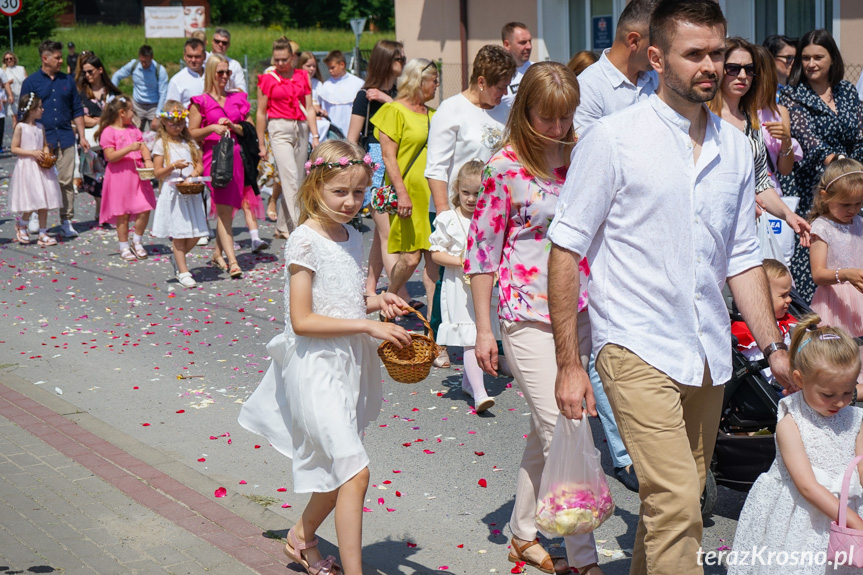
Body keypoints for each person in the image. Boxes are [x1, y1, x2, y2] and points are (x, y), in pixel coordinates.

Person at [546, 2, 792, 574]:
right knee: (680, 503)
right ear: (656, 57)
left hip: (707, 352)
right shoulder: (613, 138)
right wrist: (567, 363)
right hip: (632, 341)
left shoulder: (736, 147)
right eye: (695, 54)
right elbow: (566, 249)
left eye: (718, 52)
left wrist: (773, 347)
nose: (712, 65)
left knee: (670, 508)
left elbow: (742, 256)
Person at [238, 140, 411, 575]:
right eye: (340, 192)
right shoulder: (304, 241)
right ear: (315, 186)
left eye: (358, 193)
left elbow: (347, 301)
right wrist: (368, 326)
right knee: (355, 471)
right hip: (315, 367)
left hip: (348, 364)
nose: (351, 203)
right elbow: (302, 320)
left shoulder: (352, 236)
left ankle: (301, 538)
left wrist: (378, 301)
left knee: (340, 468)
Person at [465, 62, 600, 575]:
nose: (559, 128)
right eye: (548, 118)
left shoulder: (581, 157)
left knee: (545, 434)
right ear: (526, 112)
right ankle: (583, 558)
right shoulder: (504, 167)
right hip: (523, 314)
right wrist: (483, 329)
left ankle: (522, 534)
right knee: (565, 430)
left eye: (566, 117)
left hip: (578, 312)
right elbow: (481, 252)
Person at [728, 315, 863, 575]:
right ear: (800, 380)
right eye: (828, 394)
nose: (839, 402)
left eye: (848, 392)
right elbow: (807, 486)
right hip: (800, 518)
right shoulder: (791, 424)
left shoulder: (856, 420)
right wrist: (853, 520)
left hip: (845, 517)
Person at [424, 44, 515, 366]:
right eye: (499, 86)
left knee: (491, 276)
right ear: (480, 81)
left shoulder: (505, 109)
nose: (504, 93)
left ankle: (496, 344)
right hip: (460, 206)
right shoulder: (452, 110)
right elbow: (436, 168)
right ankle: (440, 340)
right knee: (450, 278)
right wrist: (445, 215)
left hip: (496, 208)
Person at [780, 29, 863, 303]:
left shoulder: (848, 91)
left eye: (818, 56)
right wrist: (840, 165)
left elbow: (860, 134)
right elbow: (810, 142)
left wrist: (856, 177)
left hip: (854, 187)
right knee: (816, 268)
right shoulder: (792, 96)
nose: (811, 63)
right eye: (805, 58)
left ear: (832, 59)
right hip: (818, 191)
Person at [708, 38, 810, 261]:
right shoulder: (703, 117)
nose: (742, 76)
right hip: (709, 231)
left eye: (749, 69)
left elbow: (762, 182)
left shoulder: (751, 121)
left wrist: (788, 215)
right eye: (733, 68)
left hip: (744, 232)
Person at [430, 159, 500, 412]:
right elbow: (436, 253)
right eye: (465, 193)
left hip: (484, 287)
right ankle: (480, 393)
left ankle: (469, 383)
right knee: (472, 336)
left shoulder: (491, 218)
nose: (471, 199)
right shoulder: (449, 219)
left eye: (478, 193)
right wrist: (462, 260)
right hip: (459, 287)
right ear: (457, 191)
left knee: (479, 331)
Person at [372, 59, 439, 318]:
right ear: (419, 81)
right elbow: (388, 157)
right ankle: (390, 294)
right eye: (434, 80)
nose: (437, 85)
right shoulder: (395, 111)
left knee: (434, 265)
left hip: (433, 197)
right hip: (409, 195)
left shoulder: (434, 115)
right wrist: (401, 192)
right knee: (410, 258)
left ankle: (433, 330)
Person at [346, 40, 406, 302]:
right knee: (388, 235)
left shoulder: (396, 93)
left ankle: (370, 287)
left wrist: (388, 99)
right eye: (399, 59)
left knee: (383, 235)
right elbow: (351, 137)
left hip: (397, 166)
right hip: (376, 168)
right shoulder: (365, 95)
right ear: (386, 61)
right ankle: (399, 292)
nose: (403, 63)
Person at [189, 54, 250, 279]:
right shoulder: (201, 101)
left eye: (228, 73)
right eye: (220, 72)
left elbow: (248, 129)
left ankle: (217, 253)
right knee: (224, 210)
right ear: (211, 73)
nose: (225, 77)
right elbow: (192, 132)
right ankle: (233, 261)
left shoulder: (238, 98)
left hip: (235, 157)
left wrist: (234, 126)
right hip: (213, 158)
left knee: (229, 210)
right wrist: (211, 128)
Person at [21, 40, 89, 239]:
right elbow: (23, 113)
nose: (61, 60)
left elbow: (77, 109)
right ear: (45, 58)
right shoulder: (31, 82)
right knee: (38, 182)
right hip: (41, 140)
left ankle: (66, 221)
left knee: (66, 181)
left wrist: (82, 136)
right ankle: (33, 215)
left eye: (60, 57)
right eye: (57, 57)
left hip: (66, 137)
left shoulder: (67, 80)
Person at [256, 37, 319, 240]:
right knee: (290, 176)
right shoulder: (268, 78)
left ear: (292, 57)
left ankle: (282, 226)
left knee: (297, 179)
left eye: (284, 59)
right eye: (276, 59)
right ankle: (301, 228)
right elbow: (260, 112)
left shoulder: (302, 75)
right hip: (279, 127)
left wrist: (315, 135)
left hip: (300, 127)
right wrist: (261, 144)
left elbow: (309, 108)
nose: (280, 64)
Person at [808, 158, 863, 380]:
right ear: (826, 197)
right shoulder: (822, 227)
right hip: (834, 303)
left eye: (858, 203)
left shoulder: (860, 223)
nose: (853, 210)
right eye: (845, 204)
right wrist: (845, 274)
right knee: (838, 358)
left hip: (859, 298)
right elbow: (818, 274)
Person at [573, 0, 658, 133]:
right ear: (634, 41)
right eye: (657, 43)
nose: (662, 51)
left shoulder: (657, 76)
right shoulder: (588, 89)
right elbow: (590, 150)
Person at [151, 101, 206, 288]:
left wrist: (192, 175)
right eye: (172, 123)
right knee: (179, 233)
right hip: (173, 192)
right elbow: (157, 172)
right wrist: (174, 166)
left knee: (198, 233)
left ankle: (177, 258)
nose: (177, 127)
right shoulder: (161, 144)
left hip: (189, 190)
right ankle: (183, 272)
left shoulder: (189, 141)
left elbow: (199, 164)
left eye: (180, 123)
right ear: (164, 122)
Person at [96, 96, 155, 262]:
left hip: (137, 174)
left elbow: (143, 145)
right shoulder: (109, 131)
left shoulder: (133, 129)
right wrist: (129, 148)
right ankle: (123, 245)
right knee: (123, 213)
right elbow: (110, 156)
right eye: (131, 111)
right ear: (122, 113)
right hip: (119, 176)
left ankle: (137, 240)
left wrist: (148, 159)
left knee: (145, 206)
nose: (133, 114)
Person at [731, 259, 798, 388]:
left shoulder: (786, 321)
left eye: (789, 294)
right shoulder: (745, 330)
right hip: (770, 386)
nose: (789, 300)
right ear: (762, 296)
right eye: (783, 295)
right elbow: (757, 366)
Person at [9, 92, 61, 247]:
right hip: (27, 167)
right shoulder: (21, 127)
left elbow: (44, 143)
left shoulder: (40, 127)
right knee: (32, 199)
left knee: (44, 200)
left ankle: (43, 232)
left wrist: (45, 151)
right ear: (31, 109)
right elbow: (14, 148)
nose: (42, 110)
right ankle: (22, 224)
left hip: (41, 168)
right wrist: (32, 152)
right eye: (39, 107)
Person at [77, 54, 122, 222]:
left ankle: (105, 209)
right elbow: (78, 115)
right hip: (90, 141)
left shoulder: (111, 92)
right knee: (93, 177)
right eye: (85, 73)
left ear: (100, 70)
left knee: (111, 176)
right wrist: (98, 120)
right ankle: (100, 207)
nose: (87, 75)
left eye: (90, 71)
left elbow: (121, 112)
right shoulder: (81, 93)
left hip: (111, 141)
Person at [111, 45, 169, 132]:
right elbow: (117, 76)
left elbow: (163, 94)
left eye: (146, 61)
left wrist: (157, 116)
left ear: (152, 57)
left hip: (154, 107)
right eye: (142, 61)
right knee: (132, 133)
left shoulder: (160, 71)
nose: (144, 64)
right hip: (137, 106)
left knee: (154, 134)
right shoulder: (134, 65)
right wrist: (112, 95)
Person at [317, 50, 364, 138]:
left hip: (351, 126)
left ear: (342, 65)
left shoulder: (357, 83)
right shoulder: (326, 86)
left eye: (333, 67)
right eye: (329, 68)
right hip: (333, 130)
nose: (330, 71)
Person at [166, 38, 206, 110]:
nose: (193, 60)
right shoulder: (176, 81)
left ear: (204, 56)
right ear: (184, 56)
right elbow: (171, 110)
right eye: (189, 56)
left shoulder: (214, 75)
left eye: (197, 56)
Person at [500, 22, 532, 107]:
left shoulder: (536, 70)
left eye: (530, 41)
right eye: (523, 42)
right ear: (507, 44)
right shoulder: (497, 75)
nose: (529, 46)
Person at [210, 27, 247, 93]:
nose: (220, 44)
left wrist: (224, 93)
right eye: (217, 41)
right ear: (212, 42)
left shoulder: (234, 65)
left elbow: (242, 89)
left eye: (224, 43)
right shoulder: (204, 61)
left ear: (229, 44)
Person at [3, 51, 26, 123]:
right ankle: (16, 134)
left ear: (14, 59)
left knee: (25, 117)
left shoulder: (21, 68)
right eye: (7, 59)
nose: (9, 60)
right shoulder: (3, 71)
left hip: (23, 95)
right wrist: (8, 83)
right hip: (12, 97)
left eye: (10, 58)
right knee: (15, 118)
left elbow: (27, 80)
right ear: (4, 61)